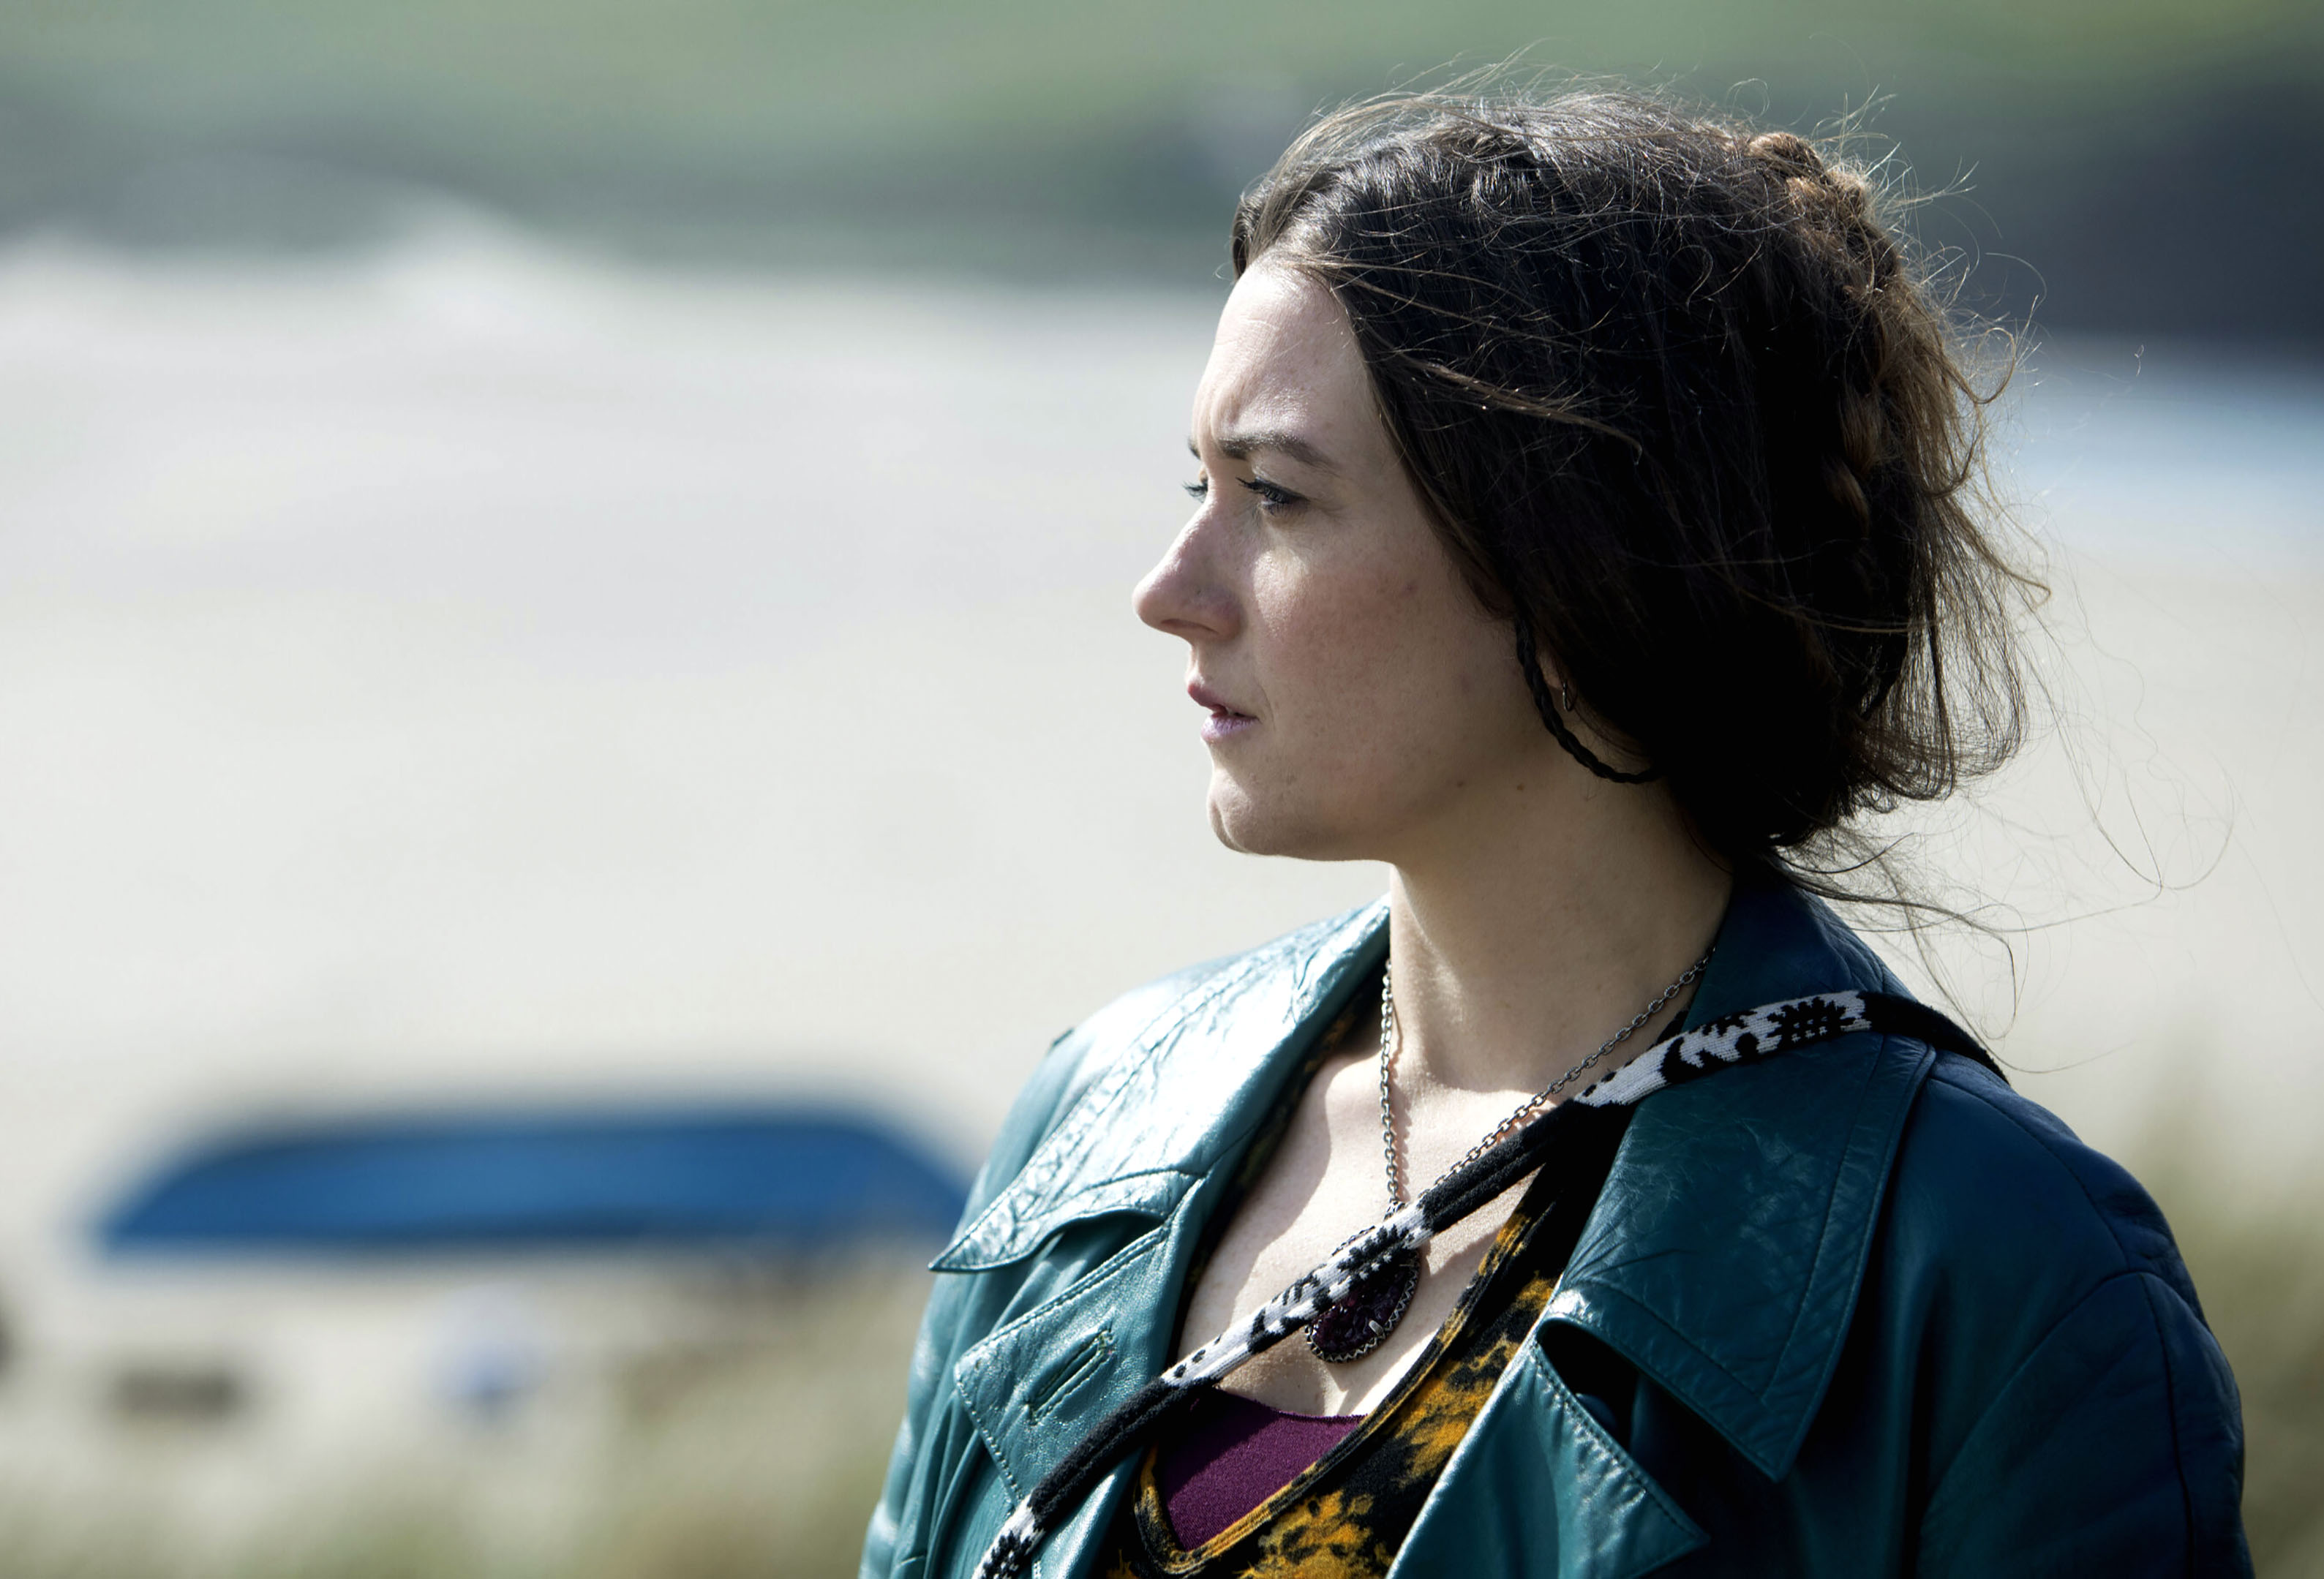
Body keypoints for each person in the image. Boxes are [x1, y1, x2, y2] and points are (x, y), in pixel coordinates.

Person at [863, 86, 2250, 1579]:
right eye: (1198, 483)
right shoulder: (1097, 1124)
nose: (1170, 589)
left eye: (1276, 497)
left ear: (1583, 560)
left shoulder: (1998, 1278)